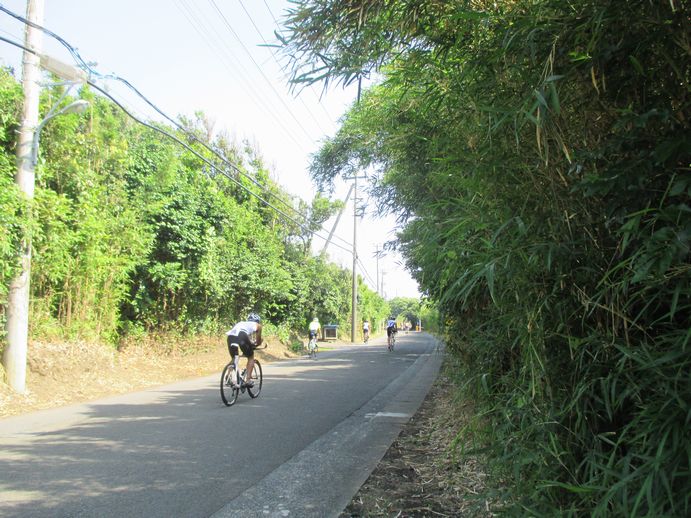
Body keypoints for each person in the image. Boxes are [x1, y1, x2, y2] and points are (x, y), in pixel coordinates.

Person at [226, 312, 263, 388]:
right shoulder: (258, 326)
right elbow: (258, 341)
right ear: (258, 321)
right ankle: (248, 380)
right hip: (242, 336)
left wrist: (249, 343)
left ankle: (228, 376)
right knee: (250, 356)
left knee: (235, 358)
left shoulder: (242, 323)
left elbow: (245, 337)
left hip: (230, 336)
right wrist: (256, 345)